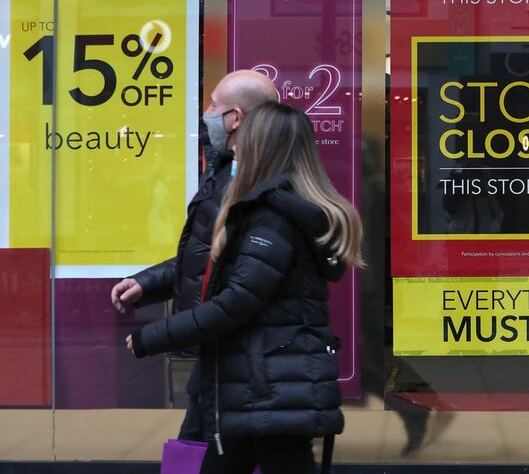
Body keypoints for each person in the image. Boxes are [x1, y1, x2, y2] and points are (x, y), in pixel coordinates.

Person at [127, 102, 362, 472]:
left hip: (269, 385)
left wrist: (152, 336)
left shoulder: (271, 218)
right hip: (260, 381)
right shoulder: (277, 210)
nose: (233, 148)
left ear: (262, 147)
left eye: (241, 139)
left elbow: (237, 301)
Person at [111, 70, 279, 440]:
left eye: (213, 105)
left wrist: (157, 335)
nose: (206, 113)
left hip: (252, 364)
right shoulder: (223, 174)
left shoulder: (268, 190)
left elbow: (240, 291)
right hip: (224, 360)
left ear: (236, 118)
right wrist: (146, 283)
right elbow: (207, 258)